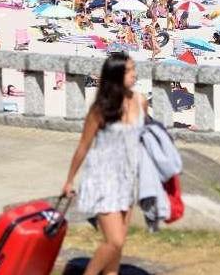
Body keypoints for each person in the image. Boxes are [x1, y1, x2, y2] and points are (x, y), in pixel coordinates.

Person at [62, 53, 147, 275]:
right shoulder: (101, 109)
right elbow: (83, 146)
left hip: (127, 179)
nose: (134, 74)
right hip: (102, 179)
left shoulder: (140, 101)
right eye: (129, 70)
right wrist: (69, 179)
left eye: (133, 69)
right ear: (116, 75)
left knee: (116, 251)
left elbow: (143, 139)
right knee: (115, 242)